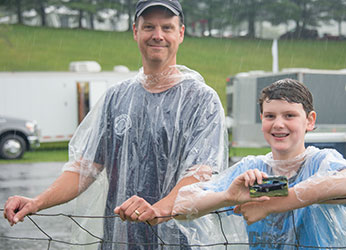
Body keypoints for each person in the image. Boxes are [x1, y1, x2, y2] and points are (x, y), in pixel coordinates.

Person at [3, 1, 228, 249]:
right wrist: (37, 202)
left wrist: (156, 211)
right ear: (135, 31)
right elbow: (84, 168)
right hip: (118, 239)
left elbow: (200, 174)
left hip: (177, 240)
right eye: (149, 27)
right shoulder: (117, 98)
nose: (157, 35)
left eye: (167, 27)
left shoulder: (201, 100)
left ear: (181, 33)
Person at [172, 78, 346, 249]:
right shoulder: (250, 170)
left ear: (310, 120)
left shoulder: (321, 162)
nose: (278, 124)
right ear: (262, 119)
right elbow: (181, 206)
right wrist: (227, 197)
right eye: (270, 116)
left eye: (289, 115)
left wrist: (272, 204)